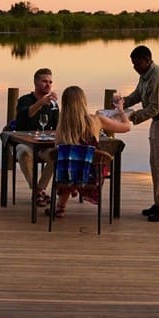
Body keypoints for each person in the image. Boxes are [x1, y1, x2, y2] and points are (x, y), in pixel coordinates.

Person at [118, 45, 159, 222]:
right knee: (155, 163)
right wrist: (122, 103)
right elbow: (138, 95)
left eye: (137, 63)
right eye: (133, 64)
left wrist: (130, 118)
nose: (135, 67)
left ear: (148, 60)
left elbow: (154, 107)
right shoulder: (144, 76)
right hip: (157, 122)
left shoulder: (157, 75)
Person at [50, 85, 131, 218]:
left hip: (67, 175)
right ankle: (72, 190)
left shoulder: (62, 125)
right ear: (83, 102)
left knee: (68, 161)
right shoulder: (96, 120)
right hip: (92, 174)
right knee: (83, 161)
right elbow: (126, 127)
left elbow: (58, 146)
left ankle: (61, 205)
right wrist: (121, 111)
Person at [9, 67, 59, 202]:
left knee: (57, 156)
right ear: (36, 83)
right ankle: (36, 190)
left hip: (43, 146)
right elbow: (25, 117)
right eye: (44, 81)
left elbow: (57, 127)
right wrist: (41, 102)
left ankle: (40, 189)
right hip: (25, 144)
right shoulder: (25, 100)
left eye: (50, 82)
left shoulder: (52, 104)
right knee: (23, 153)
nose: (48, 84)